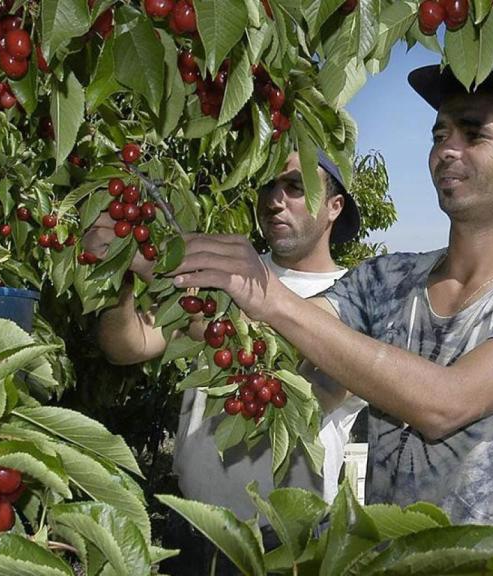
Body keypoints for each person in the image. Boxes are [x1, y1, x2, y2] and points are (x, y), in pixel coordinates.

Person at [167, 66, 493, 538]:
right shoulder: (386, 279)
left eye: (473, 134)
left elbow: (445, 403)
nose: (447, 150)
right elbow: (272, 344)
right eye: (440, 134)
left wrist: (269, 295)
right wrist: (164, 269)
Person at [83, 150, 363, 573]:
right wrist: (115, 274)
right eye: (268, 186)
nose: (275, 200)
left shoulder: (357, 296)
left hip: (285, 543)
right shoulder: (227, 266)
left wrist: (159, 270)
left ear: (334, 206)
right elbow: (129, 344)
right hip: (193, 527)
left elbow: (305, 387)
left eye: (294, 186)